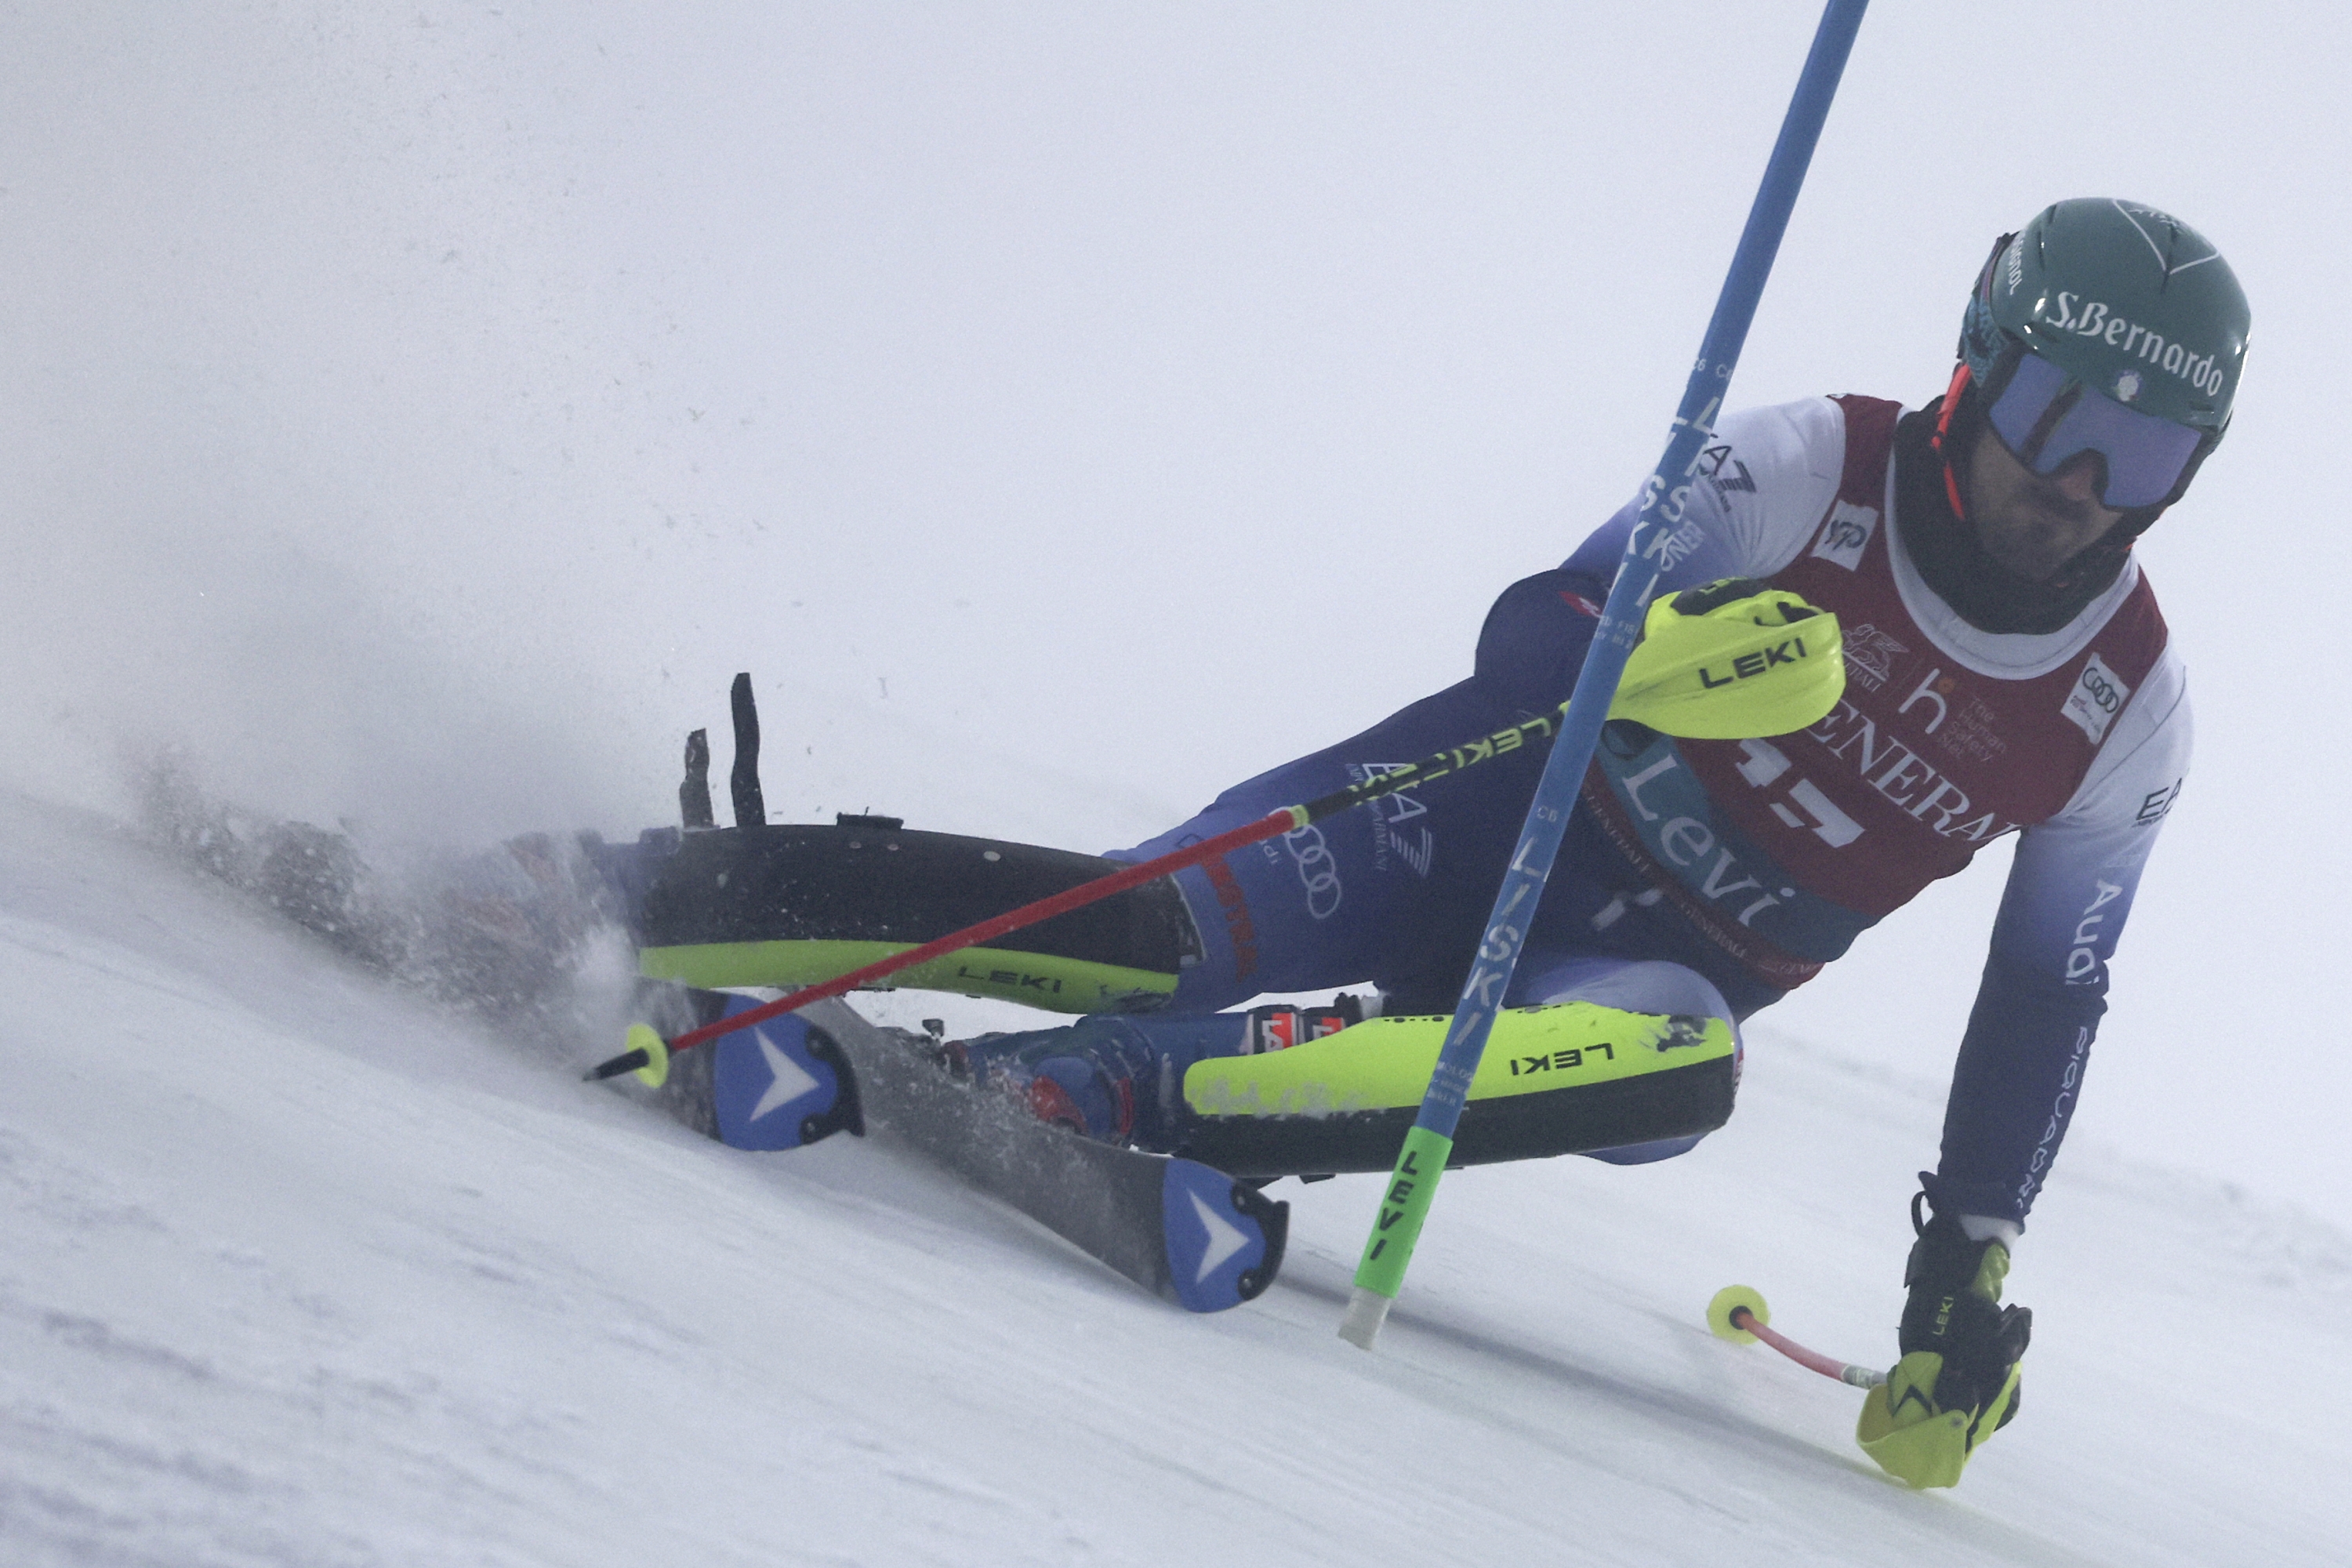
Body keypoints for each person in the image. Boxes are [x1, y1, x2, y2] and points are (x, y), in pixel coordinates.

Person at [841, 197, 2242, 1487]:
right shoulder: (1813, 465)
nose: (2077, 477)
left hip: (1608, 977)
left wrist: (1966, 1267)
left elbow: (2046, 992)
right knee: (1150, 934)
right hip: (1461, 822)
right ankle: (797, 901)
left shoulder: (2122, 712)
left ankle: (1103, 1096)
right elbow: (1531, 628)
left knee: (1680, 1073)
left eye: (2141, 450)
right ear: (1981, 363)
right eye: (2055, 408)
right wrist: (1653, 648)